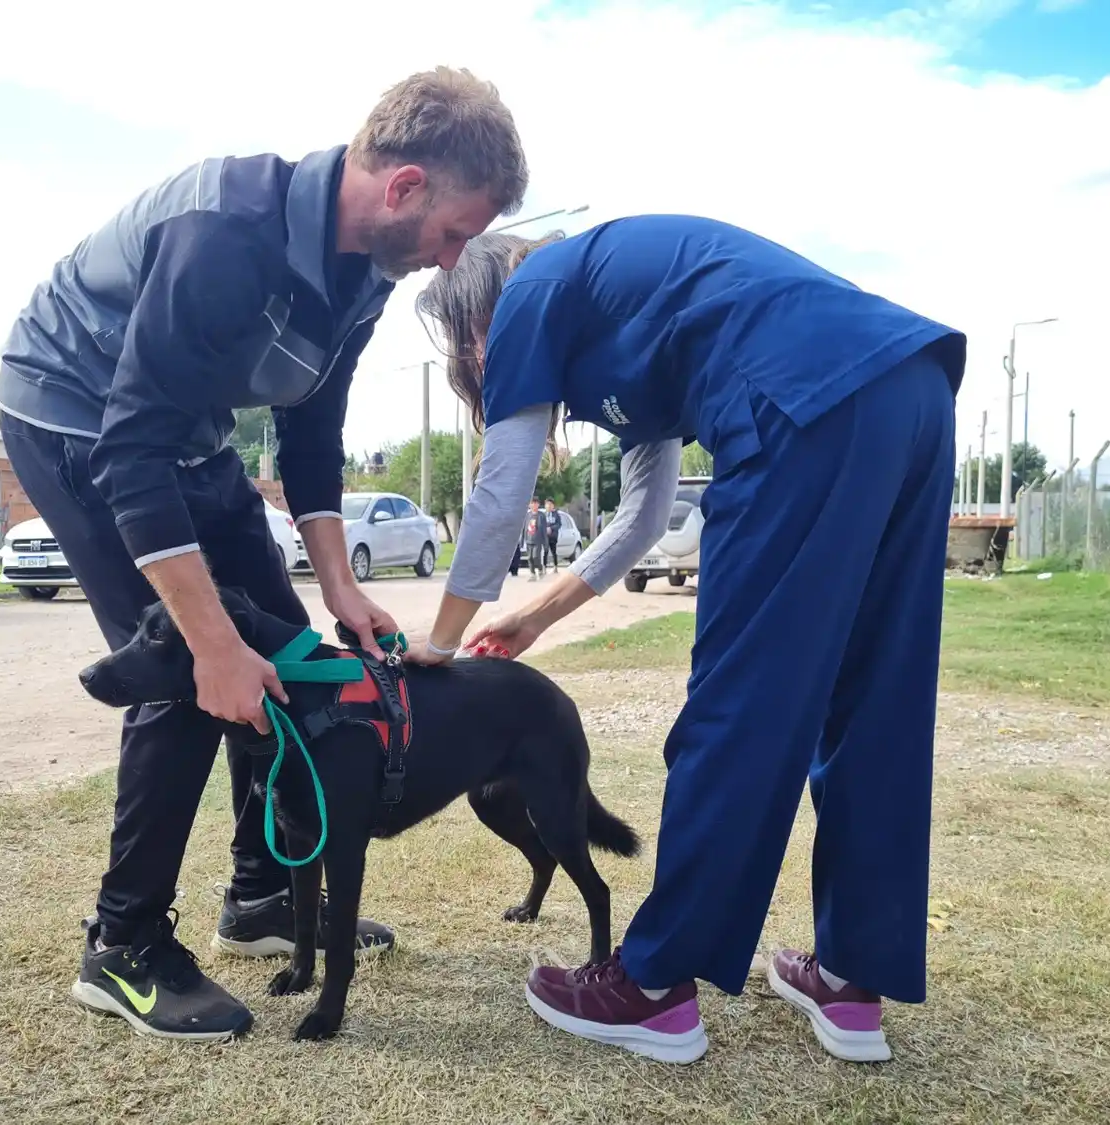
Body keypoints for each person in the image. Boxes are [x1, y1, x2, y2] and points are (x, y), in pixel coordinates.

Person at [0, 68, 527, 1041]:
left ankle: (262, 896)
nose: (455, 261)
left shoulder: (368, 268)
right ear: (404, 187)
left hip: (189, 437)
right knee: (188, 671)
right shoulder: (224, 236)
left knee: (280, 649)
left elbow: (311, 430)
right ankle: (123, 947)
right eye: (458, 232)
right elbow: (130, 451)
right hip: (75, 421)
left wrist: (339, 588)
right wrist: (208, 644)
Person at [406, 217, 963, 1065]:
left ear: (479, 314)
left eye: (470, 343)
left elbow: (500, 489)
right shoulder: (630, 311)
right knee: (874, 698)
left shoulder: (529, 291)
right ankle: (852, 978)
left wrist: (438, 642)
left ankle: (654, 987)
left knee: (740, 707)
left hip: (799, 400)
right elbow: (642, 514)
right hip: (911, 390)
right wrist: (536, 615)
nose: (482, 362)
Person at [522, 497, 548, 580]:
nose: (533, 505)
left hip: (538, 540)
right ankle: (532, 574)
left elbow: (544, 529)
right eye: (532, 503)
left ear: (538, 504)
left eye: (535, 503)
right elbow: (524, 528)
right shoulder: (527, 515)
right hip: (529, 539)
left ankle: (540, 569)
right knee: (529, 557)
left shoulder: (541, 515)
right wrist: (522, 540)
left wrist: (545, 542)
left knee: (535, 556)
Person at [543, 498, 562, 568]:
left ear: (553, 506)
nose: (549, 506)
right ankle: (544, 566)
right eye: (547, 504)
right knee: (545, 551)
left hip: (553, 536)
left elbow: (559, 524)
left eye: (550, 504)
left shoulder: (556, 515)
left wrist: (551, 528)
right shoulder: (543, 515)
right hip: (545, 536)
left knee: (553, 551)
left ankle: (555, 566)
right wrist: (545, 529)